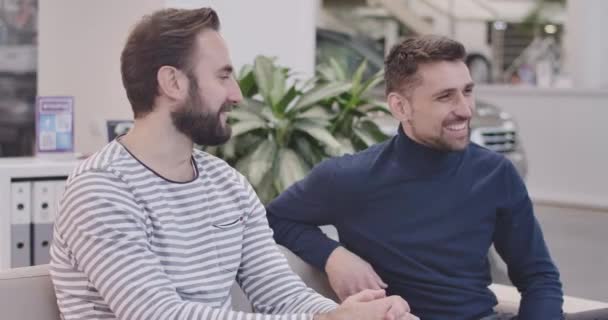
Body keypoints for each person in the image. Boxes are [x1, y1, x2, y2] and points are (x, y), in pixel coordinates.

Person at [49, 8, 418, 320]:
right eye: (223, 76)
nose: (237, 94)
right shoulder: (100, 189)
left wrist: (345, 314)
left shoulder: (226, 183)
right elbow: (159, 314)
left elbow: (280, 293)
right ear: (173, 82)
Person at [267, 35, 566, 320]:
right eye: (445, 96)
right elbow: (274, 218)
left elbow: (539, 278)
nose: (464, 109)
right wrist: (333, 256)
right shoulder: (348, 177)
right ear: (400, 107)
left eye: (467, 91)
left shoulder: (495, 173)